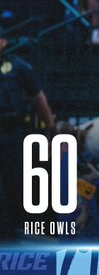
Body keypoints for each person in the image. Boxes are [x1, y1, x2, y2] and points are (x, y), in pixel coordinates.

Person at [0, 37, 55, 239]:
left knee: (14, 183)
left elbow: (38, 97)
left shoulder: (18, 66)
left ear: (4, 42)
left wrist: (51, 129)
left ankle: (14, 231)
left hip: (12, 132)